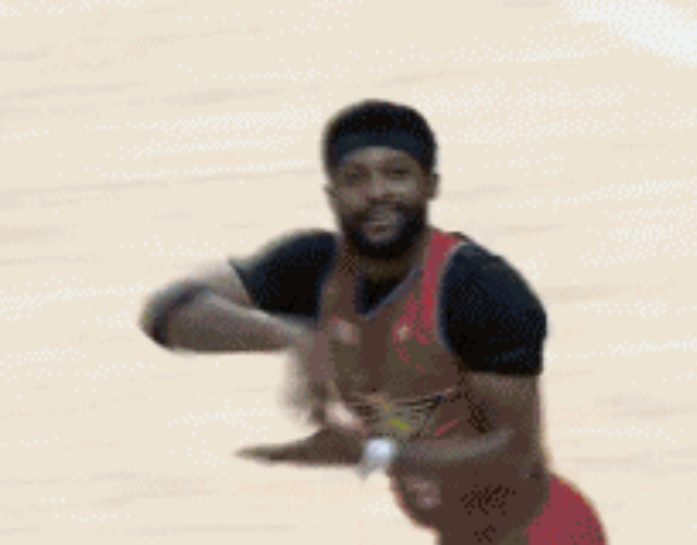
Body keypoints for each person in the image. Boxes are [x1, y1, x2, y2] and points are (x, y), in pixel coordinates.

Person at [138, 99, 607, 544]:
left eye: (397, 173)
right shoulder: (312, 269)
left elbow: (516, 457)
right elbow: (167, 312)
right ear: (332, 194)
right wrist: (288, 335)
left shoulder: (479, 291)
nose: (378, 191)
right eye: (356, 177)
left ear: (431, 185)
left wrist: (373, 453)